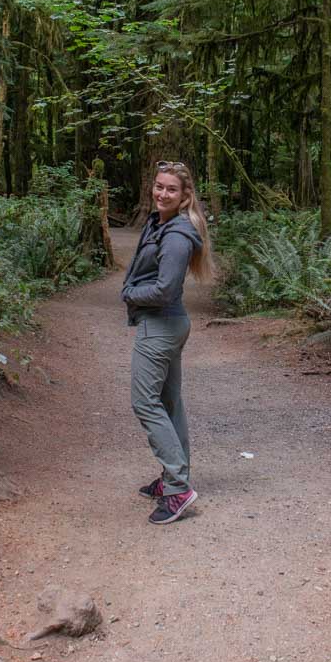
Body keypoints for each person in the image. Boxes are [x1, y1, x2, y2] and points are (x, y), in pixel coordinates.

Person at [121, 160, 214, 524]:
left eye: (171, 189)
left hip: (160, 327)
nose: (162, 193)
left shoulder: (176, 235)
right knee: (168, 402)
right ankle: (174, 478)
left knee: (145, 402)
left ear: (185, 195)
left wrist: (130, 292)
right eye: (158, 186)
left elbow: (165, 289)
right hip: (166, 324)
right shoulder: (160, 223)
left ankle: (178, 488)